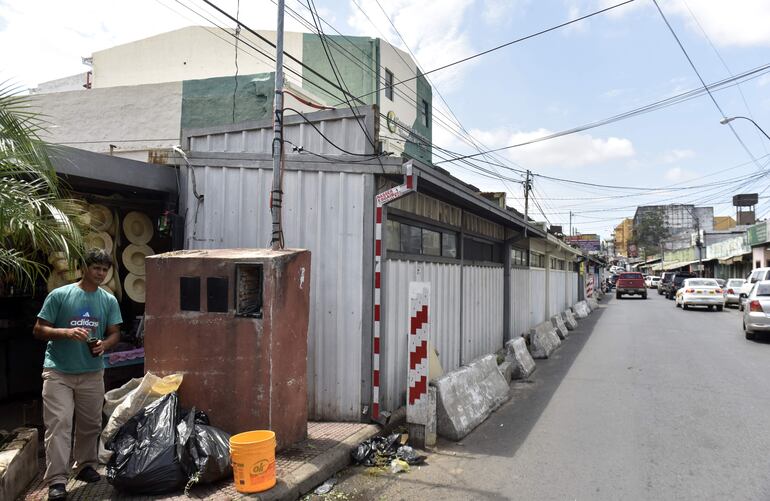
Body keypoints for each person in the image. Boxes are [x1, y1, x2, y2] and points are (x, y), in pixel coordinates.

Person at [33, 248, 122, 501]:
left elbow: (115, 332)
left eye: (105, 270)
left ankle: (84, 466)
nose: (101, 273)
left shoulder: (108, 300)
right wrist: (66, 333)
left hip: (92, 373)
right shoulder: (60, 295)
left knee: (90, 424)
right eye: (96, 268)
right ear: (84, 268)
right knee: (59, 424)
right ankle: (57, 481)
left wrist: (104, 344)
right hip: (58, 371)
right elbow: (39, 329)